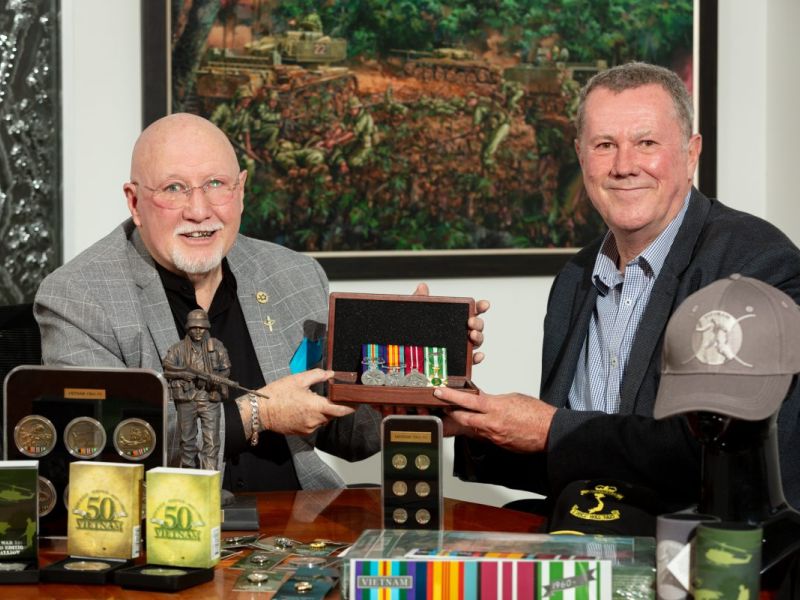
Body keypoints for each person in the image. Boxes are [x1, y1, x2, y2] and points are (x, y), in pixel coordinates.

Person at [34, 112, 486, 491]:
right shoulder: (79, 297)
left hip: (300, 530)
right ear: (134, 201)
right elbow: (104, 448)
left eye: (216, 184)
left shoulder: (292, 275)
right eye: (174, 188)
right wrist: (259, 413)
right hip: (163, 533)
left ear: (242, 190)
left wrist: (399, 388)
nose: (199, 209)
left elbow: (344, 433)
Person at [436, 62, 800, 513]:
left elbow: (717, 457)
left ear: (691, 154)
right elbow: (580, 458)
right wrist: (474, 419)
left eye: (646, 143)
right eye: (604, 145)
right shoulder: (575, 277)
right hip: (599, 537)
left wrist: (551, 428)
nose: (624, 166)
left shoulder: (755, 266)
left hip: (704, 550)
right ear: (581, 156)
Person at [163, 309, 231, 471]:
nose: (199, 331)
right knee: (187, 442)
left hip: (210, 398)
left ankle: (209, 478)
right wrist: (183, 374)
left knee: (212, 441)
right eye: (194, 327)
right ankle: (190, 478)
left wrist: (216, 376)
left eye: (202, 327)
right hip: (186, 398)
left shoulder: (216, 346)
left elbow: (226, 368)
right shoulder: (178, 349)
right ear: (188, 328)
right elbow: (167, 369)